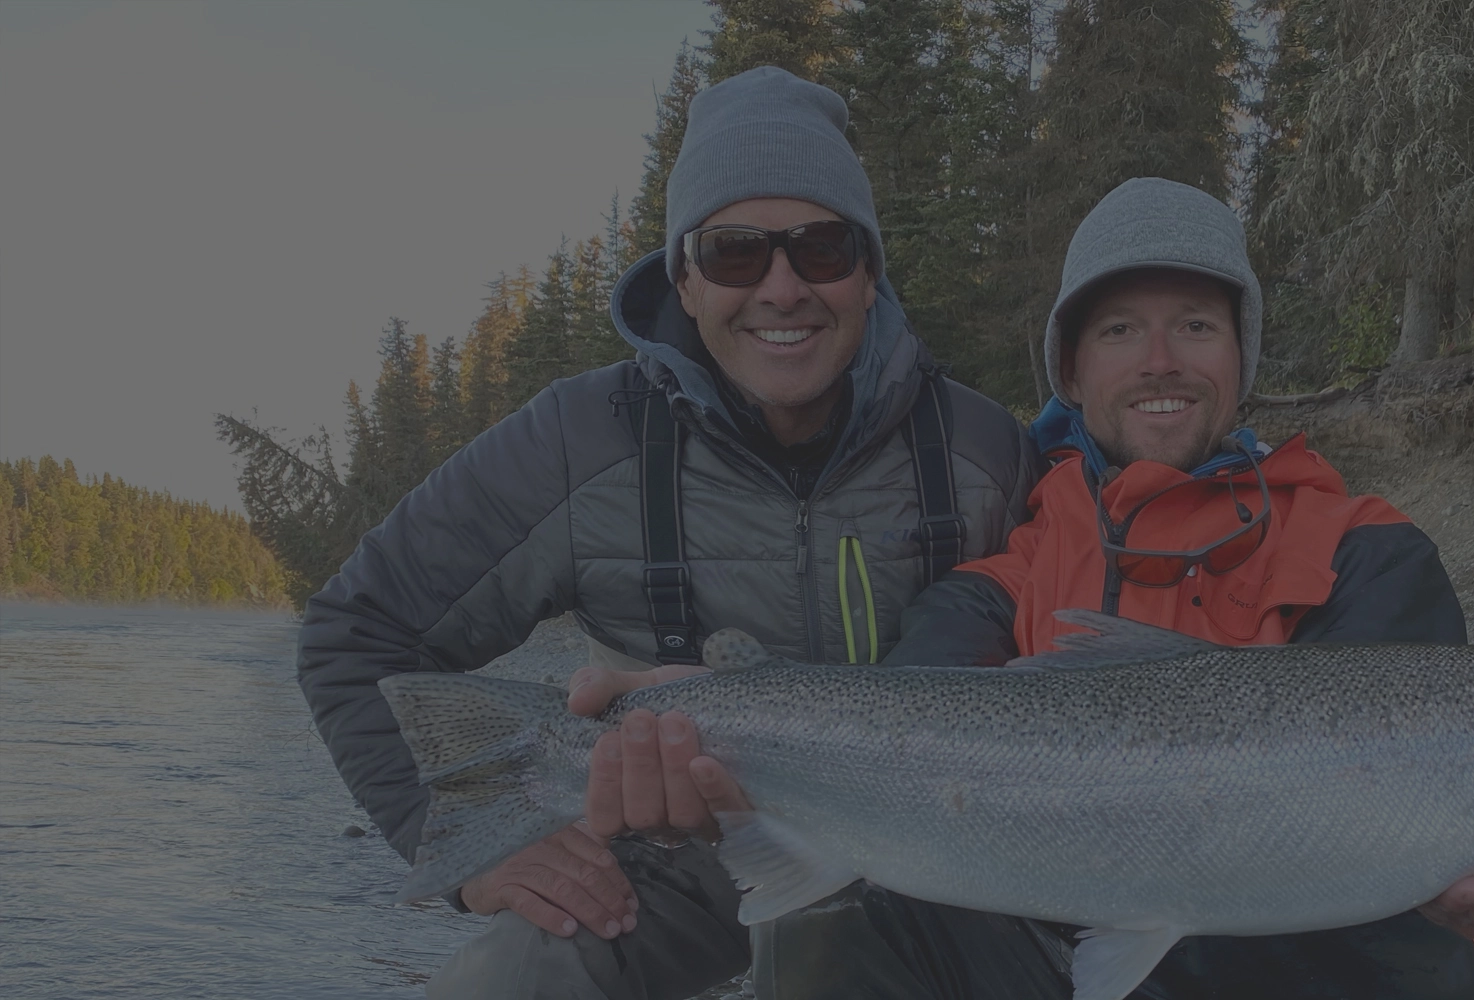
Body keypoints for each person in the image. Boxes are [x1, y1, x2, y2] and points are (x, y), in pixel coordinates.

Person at [577, 178, 1474, 999]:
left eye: (1197, 325)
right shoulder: (1000, 579)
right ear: (1069, 374)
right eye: (1118, 331)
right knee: (827, 925)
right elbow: (881, 734)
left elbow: (1428, 857)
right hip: (1081, 969)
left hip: (1335, 981)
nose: (1160, 361)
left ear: (1241, 358)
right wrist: (703, 721)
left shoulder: (1367, 550)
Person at [296, 66, 1039, 1000]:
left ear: (868, 272)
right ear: (684, 280)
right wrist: (465, 856)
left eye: (821, 248)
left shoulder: (985, 451)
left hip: (946, 851)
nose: (782, 288)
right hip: (683, 861)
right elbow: (353, 633)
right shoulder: (577, 442)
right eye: (735, 253)